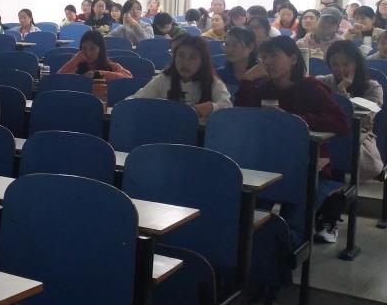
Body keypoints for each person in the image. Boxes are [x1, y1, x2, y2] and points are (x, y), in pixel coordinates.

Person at [234, 37, 350, 244]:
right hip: (268, 163)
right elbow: (242, 115)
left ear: (293, 59)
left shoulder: (311, 87)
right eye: (264, 57)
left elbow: (340, 122)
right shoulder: (263, 88)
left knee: (293, 222)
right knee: (247, 215)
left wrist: (293, 120)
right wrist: (247, 80)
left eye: (274, 55)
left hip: (308, 165)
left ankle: (289, 249)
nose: (268, 62)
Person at [319, 41, 384, 182]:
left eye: (346, 64)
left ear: (356, 64)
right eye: (334, 64)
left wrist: (343, 93)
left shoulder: (373, 87)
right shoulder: (323, 82)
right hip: (324, 136)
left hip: (358, 138)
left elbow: (361, 121)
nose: (340, 69)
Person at [132, 35, 231, 119]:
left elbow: (227, 106)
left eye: (192, 57)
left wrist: (213, 107)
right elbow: (135, 100)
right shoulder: (163, 79)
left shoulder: (212, 82)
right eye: (181, 56)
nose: (185, 62)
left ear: (202, 61)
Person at [58, 31, 132, 81]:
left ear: (100, 50)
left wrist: (98, 74)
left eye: (92, 49)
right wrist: (75, 59)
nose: (88, 53)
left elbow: (128, 77)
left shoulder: (111, 66)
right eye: (84, 48)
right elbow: (58, 78)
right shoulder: (76, 66)